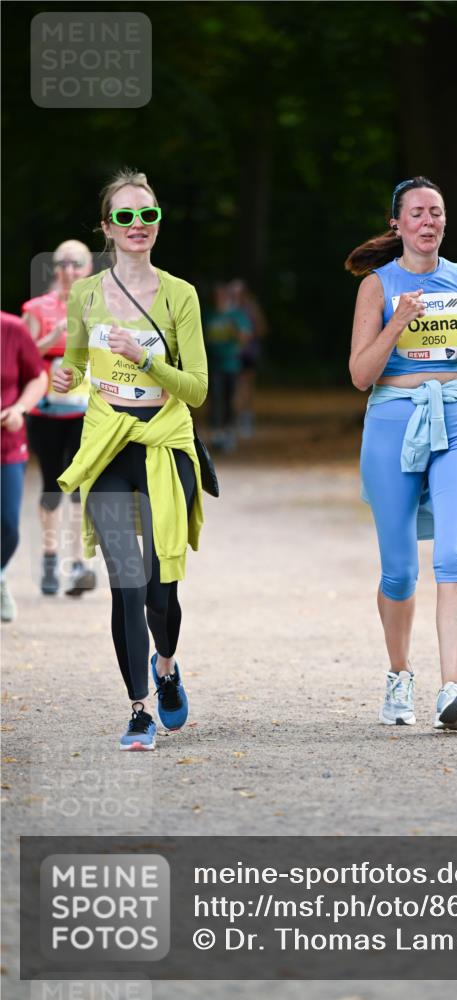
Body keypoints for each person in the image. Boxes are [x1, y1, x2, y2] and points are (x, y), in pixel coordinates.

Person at [53, 168, 208, 751]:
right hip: (109, 443)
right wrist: (61, 374)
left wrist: (144, 362)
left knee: (161, 587)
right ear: (107, 228)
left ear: (158, 222)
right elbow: (71, 366)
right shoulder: (86, 294)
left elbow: (196, 389)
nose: (138, 225)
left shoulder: (180, 295)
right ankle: (139, 708)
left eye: (148, 214)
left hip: (166, 443)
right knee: (127, 583)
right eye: (126, 216)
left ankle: (165, 663)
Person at [346, 176, 457, 731]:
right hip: (393, 421)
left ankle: (452, 689)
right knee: (400, 571)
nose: (428, 222)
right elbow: (361, 375)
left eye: (437, 212)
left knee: (453, 555)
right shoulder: (378, 288)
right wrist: (399, 322)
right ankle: (399, 674)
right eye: (417, 213)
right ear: (397, 224)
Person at [22, 240, 97, 597]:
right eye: (63, 264)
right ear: (55, 269)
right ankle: (50, 559)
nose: (69, 271)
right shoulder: (36, 309)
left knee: (83, 488)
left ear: (89, 269)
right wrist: (50, 338)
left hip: (87, 412)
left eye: (77, 264)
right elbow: (18, 359)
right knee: (52, 486)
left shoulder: (104, 306)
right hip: (47, 412)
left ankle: (80, 564)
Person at [1, 312, 49, 621]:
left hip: (7, 443)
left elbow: (38, 376)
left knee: (8, 526)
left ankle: (0, 575)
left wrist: (20, 408)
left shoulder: (12, 329)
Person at [204, 281, 252, 451]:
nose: (220, 299)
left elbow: (246, 337)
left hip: (231, 364)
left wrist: (235, 331)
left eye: (223, 296)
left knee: (230, 399)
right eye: (217, 296)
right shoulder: (208, 315)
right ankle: (217, 432)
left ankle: (229, 430)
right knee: (215, 398)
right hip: (213, 363)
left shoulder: (237, 315)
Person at [234, 279, 267, 439]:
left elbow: (261, 329)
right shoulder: (230, 308)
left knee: (246, 386)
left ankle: (246, 418)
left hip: (248, 353)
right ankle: (237, 418)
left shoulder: (250, 308)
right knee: (236, 387)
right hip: (232, 354)